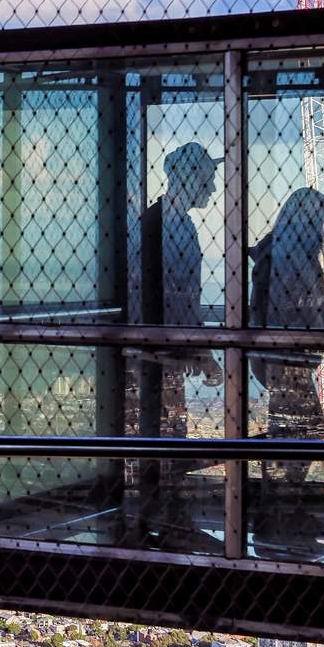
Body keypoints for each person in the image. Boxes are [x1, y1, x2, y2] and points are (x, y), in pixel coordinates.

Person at [248, 186, 324, 557]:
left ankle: (282, 512)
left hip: (278, 357)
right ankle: (280, 515)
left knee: (292, 434)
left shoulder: (279, 249)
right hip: (289, 359)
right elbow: (311, 308)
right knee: (300, 434)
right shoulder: (295, 254)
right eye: (323, 217)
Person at [130, 142, 223, 552]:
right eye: (209, 178)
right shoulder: (173, 226)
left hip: (156, 350)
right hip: (160, 354)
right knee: (167, 438)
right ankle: (165, 522)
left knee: (162, 439)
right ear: (192, 177)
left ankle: (160, 520)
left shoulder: (160, 220)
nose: (214, 187)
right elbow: (178, 296)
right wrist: (197, 351)